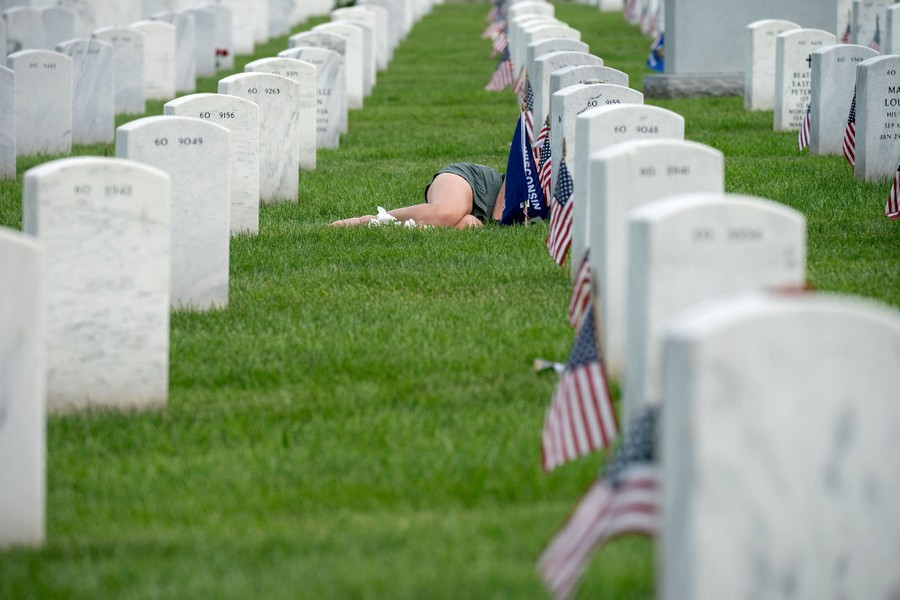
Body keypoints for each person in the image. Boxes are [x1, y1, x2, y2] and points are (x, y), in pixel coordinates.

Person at [329, 163, 506, 229]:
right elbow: (519, 171)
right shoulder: (536, 158)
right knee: (446, 213)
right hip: (475, 182)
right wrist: (499, 221)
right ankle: (371, 220)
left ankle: (389, 228)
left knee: (469, 226)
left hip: (482, 216)